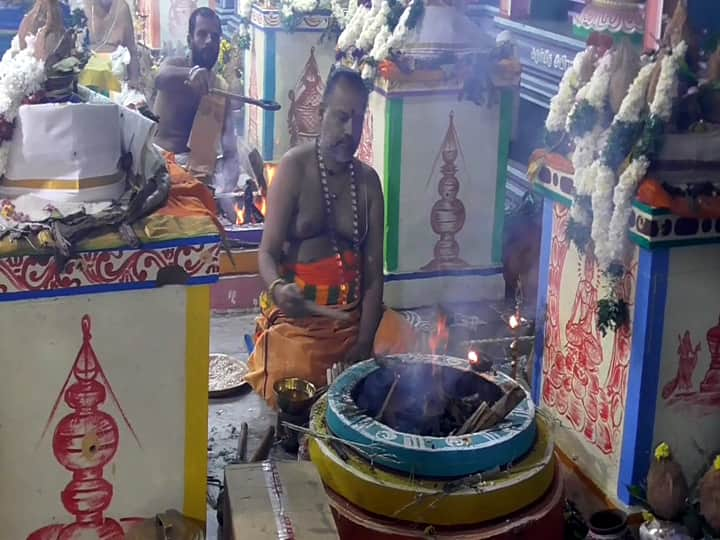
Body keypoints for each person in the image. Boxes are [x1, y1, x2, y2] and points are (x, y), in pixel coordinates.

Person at [245, 66, 416, 408]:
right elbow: (265, 253)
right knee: (294, 370)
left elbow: (371, 275)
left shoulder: (368, 183)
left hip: (353, 319)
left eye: (357, 119)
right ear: (321, 113)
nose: (349, 131)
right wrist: (279, 288)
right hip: (302, 324)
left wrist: (364, 345)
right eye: (340, 117)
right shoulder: (295, 168)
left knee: (410, 353)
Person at [153, 6, 238, 183]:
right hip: (164, 169)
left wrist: (231, 183)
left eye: (214, 37)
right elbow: (159, 78)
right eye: (202, 34)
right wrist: (190, 73)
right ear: (189, 39)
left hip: (202, 175)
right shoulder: (174, 67)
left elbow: (230, 148)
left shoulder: (220, 87)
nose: (209, 41)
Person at [80, 0, 141, 94]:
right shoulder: (84, 6)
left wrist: (134, 81)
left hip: (116, 78)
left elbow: (132, 49)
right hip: (86, 78)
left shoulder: (122, 7)